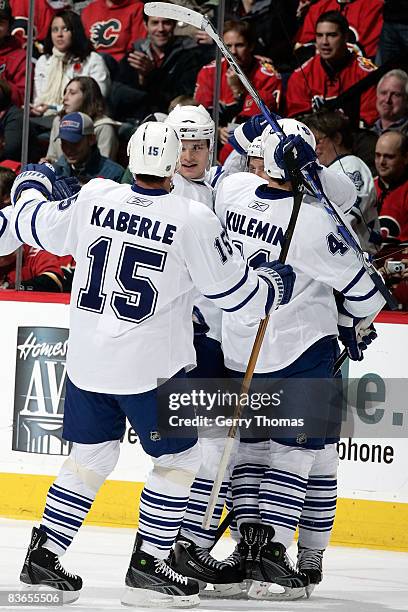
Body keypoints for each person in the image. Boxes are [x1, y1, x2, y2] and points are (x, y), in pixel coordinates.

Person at [10, 121, 296, 607]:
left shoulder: (96, 195)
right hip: (149, 370)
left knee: (92, 458)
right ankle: (148, 565)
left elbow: (32, 224)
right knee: (182, 458)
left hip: (86, 362)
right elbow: (235, 295)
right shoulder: (190, 218)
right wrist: (271, 283)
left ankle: (43, 556)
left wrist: (31, 188)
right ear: (170, 162)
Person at [213, 118, 385, 600]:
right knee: (306, 455)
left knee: (249, 452)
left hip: (241, 347)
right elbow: (369, 295)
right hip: (301, 350)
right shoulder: (313, 222)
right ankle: (280, 554)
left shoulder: (231, 191)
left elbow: (236, 153)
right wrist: (353, 324)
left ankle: (254, 553)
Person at [194, 20, 282, 147]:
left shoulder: (268, 76)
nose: (233, 51)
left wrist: (239, 91)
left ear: (251, 46)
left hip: (257, 143)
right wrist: (216, 131)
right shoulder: (208, 72)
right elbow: (199, 116)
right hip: (213, 142)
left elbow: (268, 122)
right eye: (228, 46)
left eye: (239, 45)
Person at [303, 111, 380, 253]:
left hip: (361, 263)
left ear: (337, 138)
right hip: (338, 259)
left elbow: (348, 217)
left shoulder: (352, 165)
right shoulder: (323, 172)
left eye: (318, 141)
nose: (313, 148)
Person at [286, 11, 378, 128]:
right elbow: (297, 124)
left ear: (345, 37)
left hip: (355, 139)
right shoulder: (301, 76)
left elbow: (369, 121)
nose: (324, 42)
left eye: (332, 35)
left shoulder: (366, 74)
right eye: (319, 35)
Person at [110, 14, 204, 121]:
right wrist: (141, 81)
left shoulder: (191, 55)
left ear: (174, 25)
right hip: (133, 120)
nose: (160, 29)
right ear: (146, 25)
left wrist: (152, 75)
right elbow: (117, 94)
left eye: (166, 23)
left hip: (171, 120)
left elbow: (183, 97)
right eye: (155, 23)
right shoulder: (135, 54)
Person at [31, 10, 110, 122]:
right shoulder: (43, 61)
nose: (59, 34)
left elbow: (96, 100)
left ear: (75, 31)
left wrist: (54, 108)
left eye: (65, 29)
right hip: (45, 117)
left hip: (82, 119)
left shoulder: (93, 60)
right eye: (55, 30)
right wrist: (38, 108)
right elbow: (39, 99)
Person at [45, 76, 119, 163]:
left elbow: (106, 166)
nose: (65, 98)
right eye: (65, 92)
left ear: (87, 97)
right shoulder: (58, 121)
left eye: (72, 93)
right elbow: (52, 156)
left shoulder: (104, 127)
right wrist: (47, 162)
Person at [295, 0, 383, 59]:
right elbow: (303, 49)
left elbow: (364, 54)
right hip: (318, 75)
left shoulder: (373, 6)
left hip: (354, 75)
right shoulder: (318, 8)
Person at [53, 112, 124, 183]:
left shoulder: (113, 174)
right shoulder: (55, 171)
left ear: (91, 139)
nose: (68, 150)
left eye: (74, 143)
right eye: (64, 143)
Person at [81, 0, 145, 62]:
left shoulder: (137, 8)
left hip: (122, 64)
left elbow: (136, 45)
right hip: (93, 63)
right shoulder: (90, 9)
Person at [374, 130, 408, 242]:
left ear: (405, 158)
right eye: (378, 155)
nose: (381, 162)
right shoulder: (367, 188)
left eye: (389, 157)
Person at [0, 0, 26, 106]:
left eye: (0, 22)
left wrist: (2, 85)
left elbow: (22, 97)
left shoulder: (20, 57)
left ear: (9, 27)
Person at [373, 69, 408, 136]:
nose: (387, 100)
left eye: (396, 95)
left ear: (406, 101)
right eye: (383, 93)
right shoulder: (366, 134)